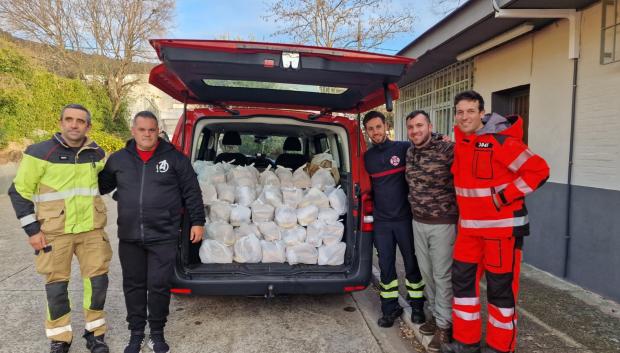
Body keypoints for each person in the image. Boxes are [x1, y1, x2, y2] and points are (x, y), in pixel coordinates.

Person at [441, 91, 549, 353]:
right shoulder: (462, 144)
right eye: (460, 111)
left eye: (470, 111)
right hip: (469, 232)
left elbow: (539, 170)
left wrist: (504, 197)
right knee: (463, 286)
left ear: (481, 113)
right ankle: (466, 343)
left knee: (501, 292)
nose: (464, 116)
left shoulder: (501, 142)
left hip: (500, 234)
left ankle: (500, 348)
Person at [98, 111, 205, 353]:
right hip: (130, 236)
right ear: (133, 130)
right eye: (142, 129)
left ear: (158, 131)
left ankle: (157, 332)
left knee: (158, 285)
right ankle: (136, 333)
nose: (147, 134)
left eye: (151, 129)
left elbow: (192, 191)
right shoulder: (118, 159)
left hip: (164, 235)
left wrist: (198, 221)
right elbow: (100, 185)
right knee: (133, 285)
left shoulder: (175, 159)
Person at [8, 104, 111, 353]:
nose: (74, 125)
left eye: (80, 121)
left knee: (97, 284)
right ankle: (60, 338)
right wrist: (33, 230)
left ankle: (95, 333)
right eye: (69, 119)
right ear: (61, 122)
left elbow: (103, 185)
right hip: (55, 232)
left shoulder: (96, 153)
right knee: (56, 287)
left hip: (92, 231)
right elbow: (19, 192)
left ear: (88, 126)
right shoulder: (39, 152)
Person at [362, 110, 426, 328]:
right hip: (382, 223)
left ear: (385, 126)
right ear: (367, 132)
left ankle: (417, 306)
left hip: (405, 220)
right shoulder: (367, 158)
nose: (375, 132)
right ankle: (389, 309)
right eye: (370, 129)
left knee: (412, 263)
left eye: (378, 127)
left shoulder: (403, 148)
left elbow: (425, 149)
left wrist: (439, 139)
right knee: (386, 266)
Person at [405, 110, 458, 352]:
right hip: (418, 221)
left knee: (442, 275)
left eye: (419, 126)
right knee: (427, 274)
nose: (415, 131)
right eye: (411, 127)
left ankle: (446, 327)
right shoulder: (410, 151)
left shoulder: (447, 149)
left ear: (430, 126)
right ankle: (436, 317)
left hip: (442, 222)